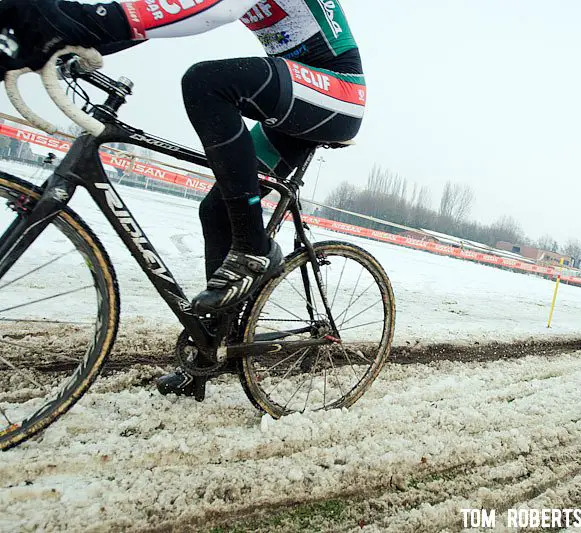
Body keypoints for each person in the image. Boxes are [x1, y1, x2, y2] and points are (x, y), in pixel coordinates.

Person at [0, 0, 366, 399]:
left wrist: (92, 21)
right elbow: (160, 15)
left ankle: (254, 248)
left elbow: (212, 8)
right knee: (216, 210)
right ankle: (208, 353)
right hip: (294, 100)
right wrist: (67, 43)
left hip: (338, 93)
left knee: (206, 83)